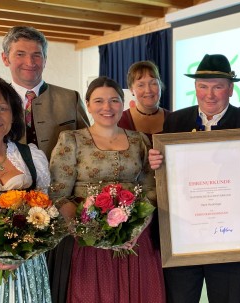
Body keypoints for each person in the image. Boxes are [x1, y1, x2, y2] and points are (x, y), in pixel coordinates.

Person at [148, 54, 240, 303]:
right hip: (183, 237)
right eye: (203, 86)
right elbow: (166, 179)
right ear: (195, 88)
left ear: (230, 88)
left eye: (217, 87)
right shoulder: (175, 121)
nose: (210, 94)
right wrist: (155, 163)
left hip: (231, 238)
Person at [49, 77, 165, 302]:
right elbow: (58, 194)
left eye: (114, 100)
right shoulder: (71, 140)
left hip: (135, 240)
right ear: (88, 104)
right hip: (88, 243)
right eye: (99, 101)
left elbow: (151, 188)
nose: (107, 107)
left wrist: (136, 229)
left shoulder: (139, 140)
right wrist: (91, 232)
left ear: (123, 103)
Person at [0, 76, 51, 302]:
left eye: (2, 108)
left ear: (14, 114)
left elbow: (47, 216)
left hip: (28, 269)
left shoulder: (32, 157)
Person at [1, 26, 90, 159]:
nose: (30, 62)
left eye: (36, 55)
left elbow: (88, 145)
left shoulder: (71, 98)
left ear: (45, 59)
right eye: (20, 54)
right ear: (5, 59)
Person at [118, 60, 170, 142]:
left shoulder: (174, 119)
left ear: (160, 85)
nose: (148, 90)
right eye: (141, 85)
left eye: (153, 83)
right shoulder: (120, 121)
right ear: (131, 90)